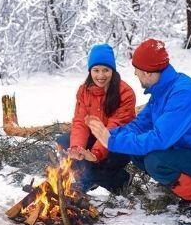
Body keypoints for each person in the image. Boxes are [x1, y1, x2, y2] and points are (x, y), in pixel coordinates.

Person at [85, 39, 191, 225]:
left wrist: (112, 142)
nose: (135, 74)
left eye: (137, 70)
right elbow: (139, 126)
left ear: (148, 73)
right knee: (138, 152)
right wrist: (109, 135)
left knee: (156, 161)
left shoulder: (182, 93)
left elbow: (160, 139)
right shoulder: (162, 91)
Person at [57, 43, 136, 195]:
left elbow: (113, 128)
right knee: (64, 142)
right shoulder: (84, 91)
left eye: (105, 70)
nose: (100, 76)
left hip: (119, 143)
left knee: (94, 165)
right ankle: (89, 177)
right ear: (90, 71)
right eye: (96, 70)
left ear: (112, 70)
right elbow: (80, 121)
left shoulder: (125, 93)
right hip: (96, 140)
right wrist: (76, 148)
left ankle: (121, 180)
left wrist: (95, 154)